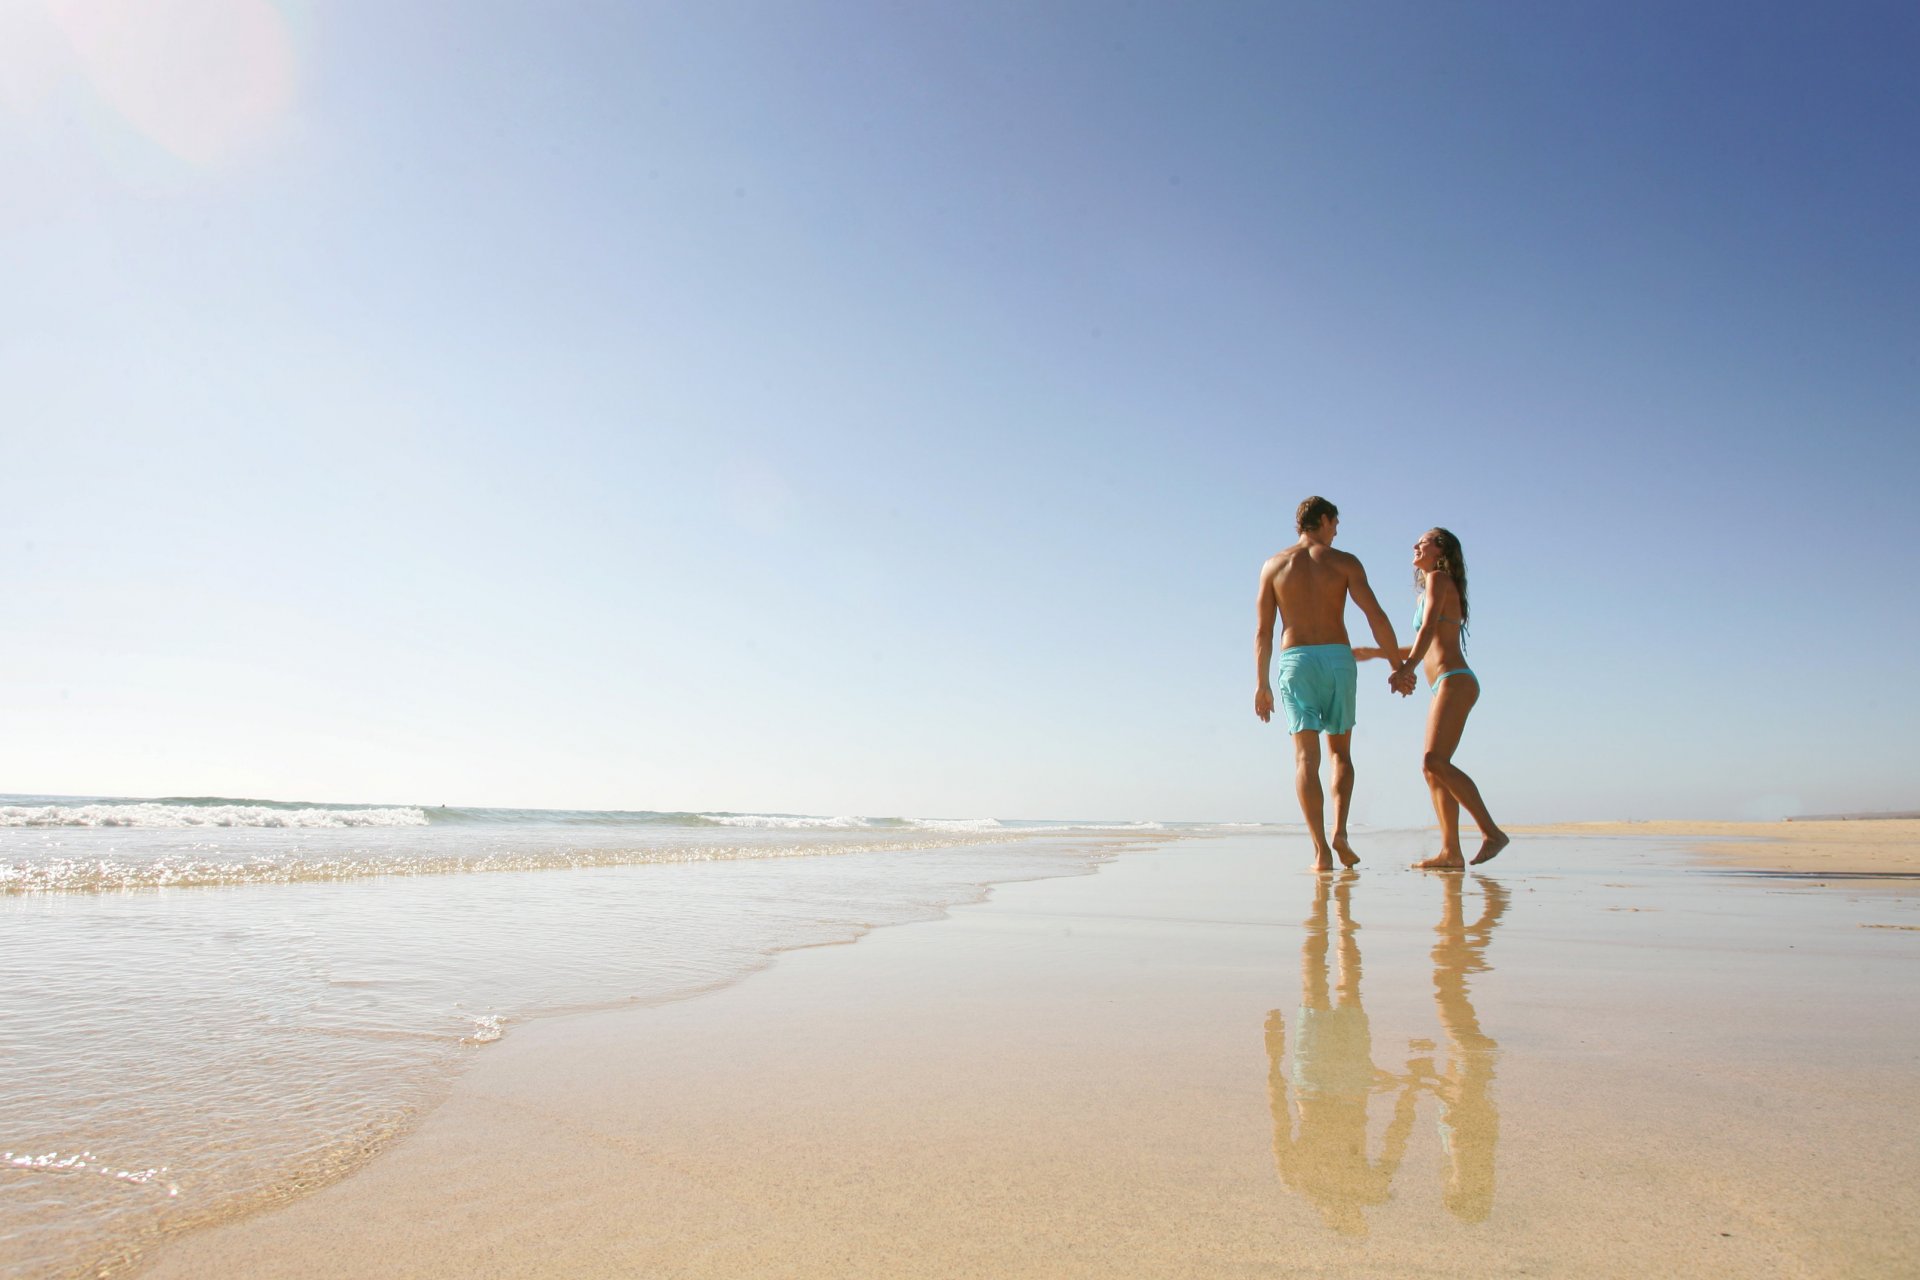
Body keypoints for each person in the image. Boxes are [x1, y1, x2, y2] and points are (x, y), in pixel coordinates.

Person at [1255, 496, 1408, 871]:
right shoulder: (1344, 563)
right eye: (1335, 523)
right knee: (1340, 754)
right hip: (1338, 661)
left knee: (1306, 758)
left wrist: (1261, 683)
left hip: (1297, 662)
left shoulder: (1273, 565)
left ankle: (1321, 851)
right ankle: (1340, 832)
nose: (1337, 531)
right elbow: (1375, 615)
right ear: (1323, 520)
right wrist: (1398, 665)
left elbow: (1264, 632)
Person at [1353, 528, 1509, 868]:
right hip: (1444, 684)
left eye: (1423, 541)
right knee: (1431, 768)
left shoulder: (1438, 578)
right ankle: (1450, 852)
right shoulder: (1425, 592)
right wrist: (1378, 653)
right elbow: (1427, 642)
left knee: (1435, 762)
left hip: (1456, 680)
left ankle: (1491, 833)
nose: (1415, 545)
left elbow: (1425, 635)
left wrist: (1405, 669)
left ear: (1442, 551)